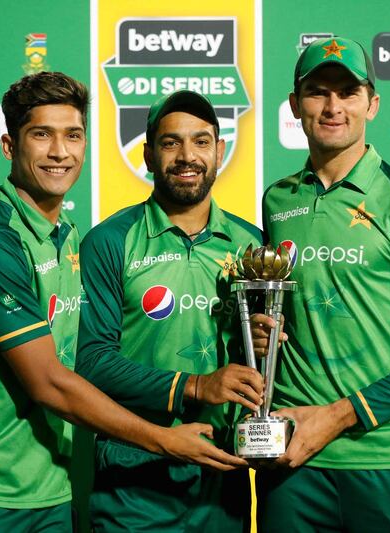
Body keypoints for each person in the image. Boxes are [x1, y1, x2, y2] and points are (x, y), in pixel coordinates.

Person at [0, 73, 247, 533]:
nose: (60, 152)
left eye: (73, 135)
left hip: (52, 486)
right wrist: (165, 436)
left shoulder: (67, 237)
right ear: (8, 146)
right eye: (41, 135)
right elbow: (51, 382)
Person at [251, 37, 390, 532]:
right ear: (294, 105)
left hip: (388, 462)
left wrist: (337, 416)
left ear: (371, 104)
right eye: (317, 92)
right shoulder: (276, 201)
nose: (333, 107)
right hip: (294, 464)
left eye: (348, 92)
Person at [76, 90, 264, 532]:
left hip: (222, 478)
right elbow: (91, 361)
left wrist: (261, 339)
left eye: (201, 142)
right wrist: (196, 386)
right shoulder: (108, 241)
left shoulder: (252, 244)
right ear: (147, 154)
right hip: (133, 481)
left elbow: (261, 358)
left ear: (219, 151)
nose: (187, 156)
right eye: (170, 142)